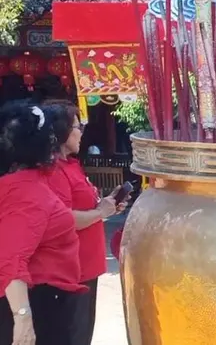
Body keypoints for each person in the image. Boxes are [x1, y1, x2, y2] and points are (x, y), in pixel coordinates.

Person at [0, 100, 85, 345]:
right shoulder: (25, 193)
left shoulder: (24, 183)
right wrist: (23, 319)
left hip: (45, 298)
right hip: (38, 303)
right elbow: (11, 258)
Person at [41, 101, 126, 345]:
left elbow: (86, 208)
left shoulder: (71, 165)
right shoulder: (53, 170)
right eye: (78, 126)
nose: (82, 132)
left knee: (82, 333)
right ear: (61, 131)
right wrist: (100, 213)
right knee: (72, 336)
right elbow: (63, 219)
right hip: (70, 271)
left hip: (86, 267)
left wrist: (107, 206)